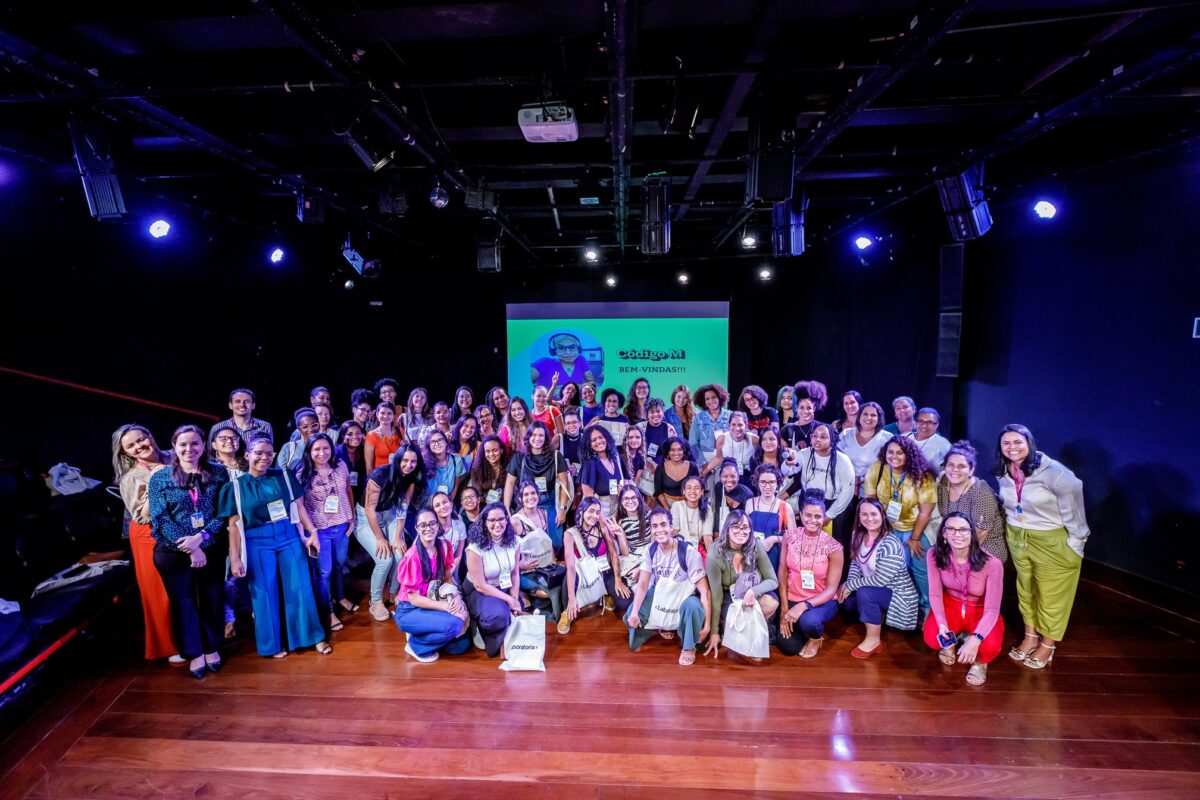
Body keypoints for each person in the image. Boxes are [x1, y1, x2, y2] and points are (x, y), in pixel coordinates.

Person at [221, 437, 329, 658]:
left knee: (300, 587)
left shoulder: (284, 476)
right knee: (263, 592)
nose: (265, 457)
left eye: (269, 453)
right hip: (257, 540)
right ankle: (271, 645)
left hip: (288, 534)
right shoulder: (236, 487)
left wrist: (312, 532)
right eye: (259, 453)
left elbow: (299, 506)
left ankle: (312, 637)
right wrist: (235, 558)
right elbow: (234, 526)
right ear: (247, 455)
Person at [997, 424, 1090, 671]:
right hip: (1018, 537)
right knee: (1026, 590)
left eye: (1018, 442)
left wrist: (1076, 545)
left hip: (1050, 539)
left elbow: (1075, 512)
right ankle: (1030, 637)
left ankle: (1048, 645)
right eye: (1006, 443)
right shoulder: (1004, 471)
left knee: (1051, 596)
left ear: (1029, 443)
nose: (1012, 447)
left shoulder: (1055, 472)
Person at [147, 425, 229, 677]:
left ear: (204, 445)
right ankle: (194, 652)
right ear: (174, 446)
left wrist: (201, 538)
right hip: (173, 551)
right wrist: (191, 547)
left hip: (211, 546)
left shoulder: (218, 472)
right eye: (182, 444)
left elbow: (223, 512)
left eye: (195, 443)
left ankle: (212, 647)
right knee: (184, 603)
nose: (189, 449)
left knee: (212, 598)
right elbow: (160, 518)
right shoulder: (160, 477)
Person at [113, 424, 180, 663]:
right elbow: (140, 515)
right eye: (131, 445)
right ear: (125, 453)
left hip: (181, 526)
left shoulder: (174, 457)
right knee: (159, 591)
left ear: (150, 436)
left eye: (141, 439)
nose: (139, 446)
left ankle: (192, 637)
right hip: (148, 533)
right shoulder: (130, 477)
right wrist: (155, 481)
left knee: (186, 586)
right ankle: (168, 647)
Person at [924, 513, 1005, 685]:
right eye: (951, 529)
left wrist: (976, 639)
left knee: (989, 646)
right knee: (932, 636)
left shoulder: (993, 564)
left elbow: (992, 609)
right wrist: (942, 625)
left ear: (971, 533)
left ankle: (980, 662)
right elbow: (935, 593)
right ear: (944, 533)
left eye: (963, 530)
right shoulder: (933, 554)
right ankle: (954, 640)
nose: (957, 534)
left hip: (980, 610)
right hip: (951, 603)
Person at [625, 507, 712, 666]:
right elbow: (643, 584)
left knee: (693, 607)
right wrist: (635, 612)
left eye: (663, 524)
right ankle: (660, 627)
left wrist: (707, 626)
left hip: (683, 596)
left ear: (671, 527)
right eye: (655, 526)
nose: (659, 530)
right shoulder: (650, 550)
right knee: (631, 613)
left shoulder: (688, 552)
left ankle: (689, 646)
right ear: (651, 530)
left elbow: (705, 591)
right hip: (662, 595)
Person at [835, 498, 919, 658]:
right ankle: (880, 616)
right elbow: (856, 563)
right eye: (864, 514)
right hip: (874, 588)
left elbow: (881, 580)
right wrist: (848, 584)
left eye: (874, 514)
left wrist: (850, 585)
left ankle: (873, 641)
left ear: (882, 515)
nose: (869, 518)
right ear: (859, 516)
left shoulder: (890, 543)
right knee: (847, 603)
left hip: (898, 594)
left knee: (865, 593)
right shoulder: (857, 534)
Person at [864, 436, 938, 614]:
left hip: (918, 527)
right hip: (888, 528)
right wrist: (878, 530)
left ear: (908, 454)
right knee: (895, 570)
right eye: (890, 452)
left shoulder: (923, 475)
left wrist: (914, 538)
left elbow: (925, 512)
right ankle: (901, 609)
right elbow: (871, 502)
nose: (894, 456)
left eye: (900, 453)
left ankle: (927, 610)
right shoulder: (877, 468)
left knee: (920, 570)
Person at [392, 507, 471, 662]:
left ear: (437, 525)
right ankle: (415, 645)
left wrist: (456, 598)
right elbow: (415, 599)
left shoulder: (444, 546)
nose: (428, 528)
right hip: (410, 609)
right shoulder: (412, 556)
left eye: (432, 523)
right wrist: (448, 608)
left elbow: (447, 579)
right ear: (417, 528)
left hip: (433, 599)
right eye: (423, 525)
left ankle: (424, 631)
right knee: (455, 624)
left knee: (460, 646)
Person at [297, 433, 355, 638]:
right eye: (316, 449)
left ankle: (341, 596)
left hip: (342, 524)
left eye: (326, 448)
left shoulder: (340, 466)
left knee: (340, 564)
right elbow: (298, 506)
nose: (322, 453)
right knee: (324, 571)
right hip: (319, 529)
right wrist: (305, 533)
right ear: (309, 451)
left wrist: (352, 517)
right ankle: (328, 610)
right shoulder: (302, 473)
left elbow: (348, 490)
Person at [703, 510, 779, 660]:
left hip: (750, 591)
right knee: (737, 614)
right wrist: (714, 632)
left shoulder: (755, 545)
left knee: (771, 603)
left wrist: (753, 591)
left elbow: (772, 580)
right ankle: (732, 633)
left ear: (750, 529)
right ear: (727, 529)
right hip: (727, 596)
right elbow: (716, 596)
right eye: (736, 527)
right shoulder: (715, 551)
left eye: (745, 527)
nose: (741, 531)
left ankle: (746, 639)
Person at [776, 491, 843, 658]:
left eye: (818, 516)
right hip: (792, 597)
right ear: (801, 515)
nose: (813, 520)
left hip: (821, 601)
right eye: (808, 515)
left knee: (810, 622)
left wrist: (804, 606)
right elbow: (783, 570)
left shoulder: (834, 547)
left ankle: (815, 638)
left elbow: (831, 589)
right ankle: (800, 625)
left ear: (824, 517)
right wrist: (784, 608)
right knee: (788, 648)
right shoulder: (789, 536)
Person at [361, 444, 424, 621]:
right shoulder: (380, 474)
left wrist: (397, 537)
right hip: (366, 516)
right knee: (384, 559)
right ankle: (375, 602)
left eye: (413, 461)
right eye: (405, 460)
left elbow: (403, 507)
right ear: (397, 459)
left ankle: (394, 593)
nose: (409, 465)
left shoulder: (411, 478)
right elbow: (369, 509)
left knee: (399, 553)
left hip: (391, 514)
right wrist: (380, 538)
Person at [562, 496, 631, 633]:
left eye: (598, 512)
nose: (595, 515)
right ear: (581, 511)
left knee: (625, 602)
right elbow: (570, 568)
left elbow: (613, 554)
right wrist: (571, 597)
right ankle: (566, 612)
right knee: (567, 584)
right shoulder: (570, 534)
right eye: (591, 511)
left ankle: (604, 595)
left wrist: (618, 579)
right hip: (585, 575)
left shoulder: (601, 527)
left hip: (604, 572)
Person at [463, 503, 523, 657]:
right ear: (484, 522)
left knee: (517, 611)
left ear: (507, 520)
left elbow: (515, 573)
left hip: (504, 586)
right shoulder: (475, 548)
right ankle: (477, 624)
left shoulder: (515, 542)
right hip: (480, 590)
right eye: (492, 520)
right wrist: (509, 599)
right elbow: (480, 585)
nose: (497, 524)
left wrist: (515, 597)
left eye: (501, 519)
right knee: (499, 616)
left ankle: (507, 640)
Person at [504, 421, 569, 551]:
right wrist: (506, 508)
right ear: (528, 437)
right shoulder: (519, 457)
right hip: (525, 506)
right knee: (527, 546)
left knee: (555, 543)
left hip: (549, 504)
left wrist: (562, 509)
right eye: (534, 435)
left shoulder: (556, 456)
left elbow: (564, 484)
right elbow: (509, 484)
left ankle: (552, 562)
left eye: (541, 435)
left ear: (546, 438)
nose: (537, 439)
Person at [937, 441, 1006, 562]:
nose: (955, 470)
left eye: (961, 466)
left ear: (971, 470)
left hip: (983, 548)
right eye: (950, 465)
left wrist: (959, 559)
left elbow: (981, 533)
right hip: (956, 544)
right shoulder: (943, 481)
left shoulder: (981, 493)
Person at [511, 481, 566, 622]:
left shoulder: (543, 512)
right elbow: (506, 550)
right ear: (520, 498)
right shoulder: (515, 521)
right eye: (526, 495)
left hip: (544, 566)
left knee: (564, 580)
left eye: (533, 493)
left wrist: (553, 560)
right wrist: (519, 565)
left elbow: (545, 540)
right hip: (525, 570)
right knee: (549, 591)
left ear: (538, 495)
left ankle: (561, 613)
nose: (530, 497)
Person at [795, 423, 855, 533]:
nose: (817, 439)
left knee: (834, 539)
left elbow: (848, 490)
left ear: (832, 440)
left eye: (823, 437)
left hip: (834, 505)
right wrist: (788, 463)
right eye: (814, 436)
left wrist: (830, 514)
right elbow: (788, 470)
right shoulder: (804, 454)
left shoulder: (842, 460)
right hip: (808, 501)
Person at [333, 420, 367, 613]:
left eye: (358, 433)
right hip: (340, 502)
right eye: (349, 434)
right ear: (343, 435)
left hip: (359, 497)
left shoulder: (363, 451)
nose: (354, 437)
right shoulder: (337, 453)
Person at [744, 464, 795, 570]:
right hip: (753, 554)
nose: (767, 486)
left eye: (771, 482)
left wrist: (774, 539)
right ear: (757, 482)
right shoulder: (749, 503)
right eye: (763, 482)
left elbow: (794, 538)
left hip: (775, 556)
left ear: (777, 483)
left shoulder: (785, 507)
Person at [840, 402, 891, 496]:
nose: (868, 417)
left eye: (873, 415)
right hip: (844, 488)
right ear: (859, 416)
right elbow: (836, 460)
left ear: (879, 418)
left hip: (873, 492)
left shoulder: (887, 438)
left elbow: (889, 468)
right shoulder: (846, 434)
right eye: (865, 414)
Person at [579, 424, 627, 516]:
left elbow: (627, 480)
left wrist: (623, 490)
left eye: (601, 437)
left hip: (617, 508)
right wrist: (601, 520)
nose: (598, 441)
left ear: (606, 438)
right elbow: (589, 498)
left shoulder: (616, 457)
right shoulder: (590, 464)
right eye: (593, 440)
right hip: (598, 512)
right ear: (589, 445)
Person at [705, 411, 757, 484]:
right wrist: (703, 473)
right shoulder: (721, 439)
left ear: (746, 425)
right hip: (728, 473)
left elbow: (759, 458)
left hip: (747, 474)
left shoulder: (754, 439)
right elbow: (718, 458)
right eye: (733, 424)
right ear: (728, 425)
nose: (737, 428)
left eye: (740, 425)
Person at [531, 331, 596, 388]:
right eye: (561, 348)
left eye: (572, 347)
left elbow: (591, 383)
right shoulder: (544, 363)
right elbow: (526, 381)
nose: (568, 352)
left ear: (579, 349)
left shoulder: (580, 360)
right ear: (553, 351)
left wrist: (565, 389)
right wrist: (549, 391)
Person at [689, 383, 731, 468]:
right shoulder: (698, 418)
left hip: (726, 457)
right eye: (707, 399)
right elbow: (693, 443)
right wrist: (702, 462)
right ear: (704, 402)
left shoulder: (730, 415)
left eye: (714, 397)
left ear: (720, 398)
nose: (710, 401)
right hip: (705, 458)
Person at [670, 475, 715, 551]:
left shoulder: (707, 509)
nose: (693, 491)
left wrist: (711, 556)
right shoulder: (677, 506)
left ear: (702, 492)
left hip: (697, 548)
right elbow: (674, 532)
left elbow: (707, 536)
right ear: (684, 491)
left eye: (696, 488)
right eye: (689, 488)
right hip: (679, 548)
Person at [422, 429, 467, 505]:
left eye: (440, 440)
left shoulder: (456, 460)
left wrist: (448, 504)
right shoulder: (424, 463)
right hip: (427, 504)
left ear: (446, 442)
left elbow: (455, 486)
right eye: (433, 442)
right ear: (428, 446)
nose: (437, 444)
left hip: (446, 504)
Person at [712, 458, 754, 532]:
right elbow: (718, 512)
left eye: (733, 476)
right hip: (724, 527)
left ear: (738, 477)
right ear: (720, 477)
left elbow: (748, 521)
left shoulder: (747, 494)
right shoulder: (719, 487)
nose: (729, 480)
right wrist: (716, 532)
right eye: (725, 476)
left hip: (741, 530)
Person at [429, 492, 468, 573]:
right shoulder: (429, 528)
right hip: (432, 570)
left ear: (451, 503)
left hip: (451, 569)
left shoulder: (460, 525)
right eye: (437, 505)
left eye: (445, 502)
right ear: (433, 510)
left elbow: (458, 555)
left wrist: (448, 574)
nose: (442, 506)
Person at [780, 382, 824, 452]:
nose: (805, 411)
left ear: (814, 409)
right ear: (797, 408)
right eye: (802, 407)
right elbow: (782, 452)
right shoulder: (787, 429)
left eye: (809, 408)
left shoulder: (822, 427)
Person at [469, 434, 509, 506]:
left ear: (501, 450)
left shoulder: (509, 467)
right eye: (487, 451)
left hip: (504, 505)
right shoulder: (476, 469)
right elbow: (477, 494)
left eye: (495, 450)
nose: (491, 454)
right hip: (482, 506)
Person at [364, 401, 401, 470]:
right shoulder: (371, 436)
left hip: (398, 474)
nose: (385, 416)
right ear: (377, 414)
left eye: (389, 413)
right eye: (382, 413)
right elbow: (369, 465)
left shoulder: (400, 432)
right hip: (380, 475)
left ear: (394, 416)